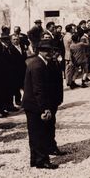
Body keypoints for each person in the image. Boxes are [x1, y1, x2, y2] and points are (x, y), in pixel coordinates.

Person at [22, 39, 59, 169]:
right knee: (39, 133)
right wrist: (45, 108)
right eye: (45, 50)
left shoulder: (39, 63)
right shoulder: (38, 66)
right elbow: (39, 90)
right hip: (35, 105)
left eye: (50, 50)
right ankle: (42, 160)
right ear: (39, 51)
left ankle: (35, 160)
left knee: (35, 133)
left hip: (32, 104)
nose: (49, 52)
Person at [9, 34, 27, 106]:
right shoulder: (10, 48)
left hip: (23, 68)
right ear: (11, 40)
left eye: (17, 39)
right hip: (15, 70)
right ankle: (18, 100)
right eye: (14, 39)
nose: (16, 41)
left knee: (25, 85)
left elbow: (25, 56)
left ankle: (25, 99)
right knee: (16, 86)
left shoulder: (22, 46)